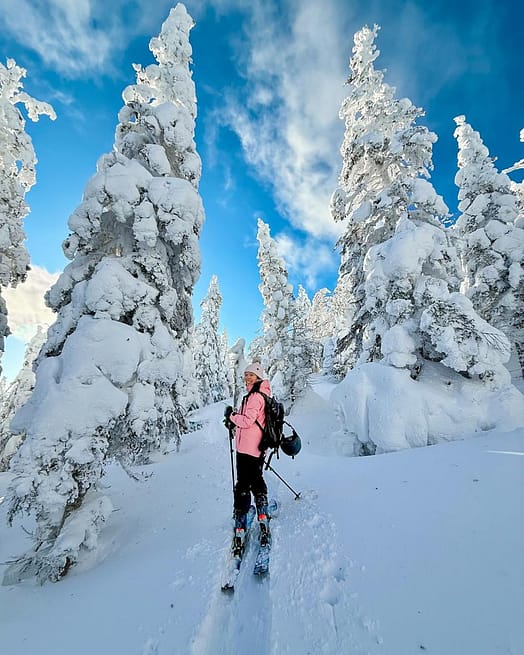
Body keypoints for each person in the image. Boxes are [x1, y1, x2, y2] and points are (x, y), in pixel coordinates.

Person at [224, 362, 271, 555]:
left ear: (258, 376)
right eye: (246, 375)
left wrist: (232, 417)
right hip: (257, 447)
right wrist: (234, 423)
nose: (248, 378)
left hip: (248, 448)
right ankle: (262, 511)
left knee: (243, 484)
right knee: (256, 478)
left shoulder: (255, 397)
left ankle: (241, 521)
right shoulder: (261, 395)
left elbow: (247, 420)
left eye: (251, 375)